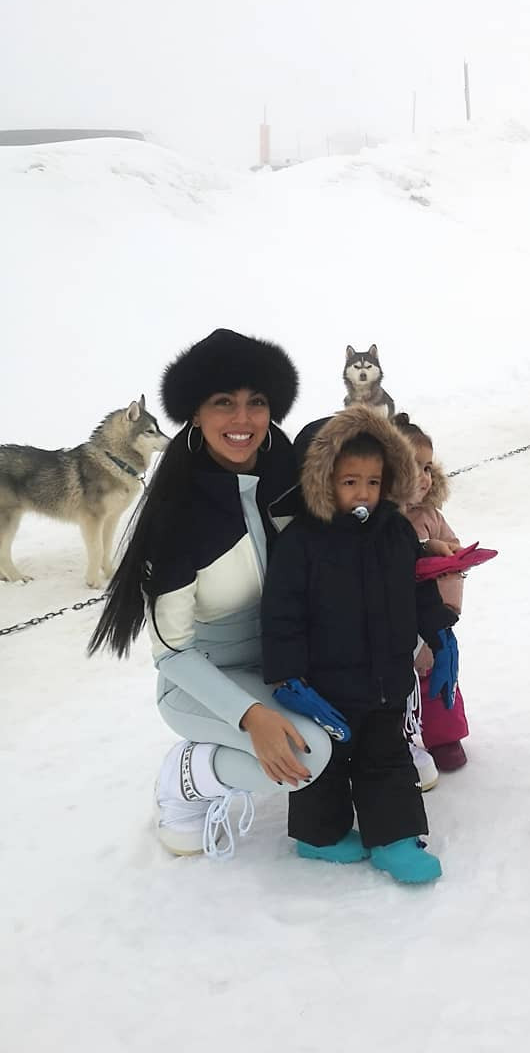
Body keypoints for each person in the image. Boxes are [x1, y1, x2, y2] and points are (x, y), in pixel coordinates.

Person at [88, 328, 334, 859]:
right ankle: (187, 777)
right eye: (224, 403)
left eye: (256, 403)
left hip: (284, 658)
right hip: (205, 680)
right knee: (309, 754)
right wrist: (251, 715)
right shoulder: (177, 516)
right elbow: (172, 652)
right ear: (196, 414)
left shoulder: (285, 469)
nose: (242, 420)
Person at [260, 404, 459, 884]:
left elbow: (415, 590)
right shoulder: (302, 543)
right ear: (324, 481)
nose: (363, 492)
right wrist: (287, 676)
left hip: (387, 678)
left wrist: (440, 630)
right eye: (350, 481)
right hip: (325, 685)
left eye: (373, 481)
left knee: (385, 755)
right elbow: (281, 614)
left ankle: (393, 839)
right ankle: (318, 836)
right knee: (325, 765)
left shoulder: (395, 531)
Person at [393, 412, 471, 775]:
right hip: (395, 628)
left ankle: (445, 737)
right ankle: (400, 739)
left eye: (428, 468)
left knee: (438, 678)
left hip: (434, 619)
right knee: (397, 689)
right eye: (414, 467)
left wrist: (446, 554)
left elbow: (453, 552)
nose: (424, 478)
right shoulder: (378, 521)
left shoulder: (430, 515)